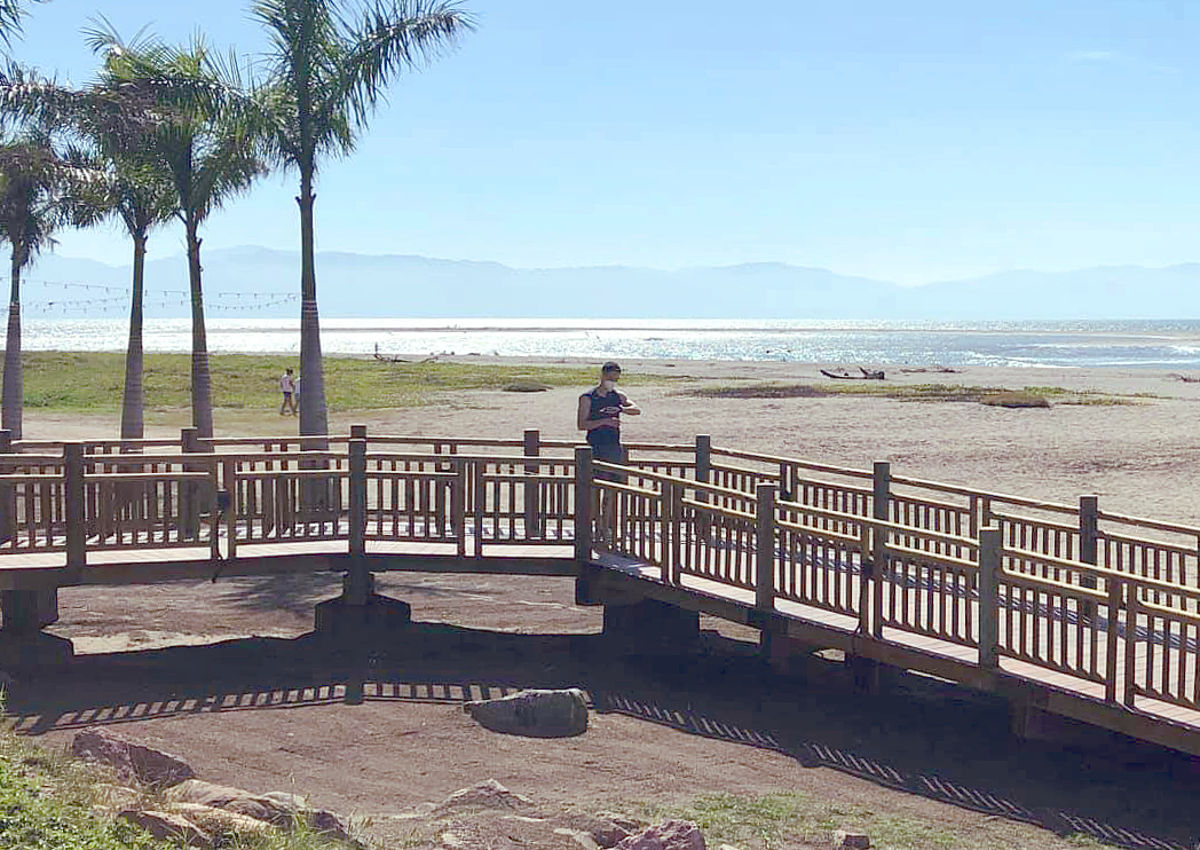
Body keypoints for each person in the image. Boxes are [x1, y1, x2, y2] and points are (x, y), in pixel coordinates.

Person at [578, 362, 640, 544]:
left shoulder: (618, 397)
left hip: (614, 448)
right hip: (596, 448)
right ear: (602, 375)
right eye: (610, 377)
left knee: (611, 490)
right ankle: (596, 527)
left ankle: (607, 528)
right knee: (595, 489)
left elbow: (636, 409)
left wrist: (622, 409)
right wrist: (604, 421)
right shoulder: (588, 397)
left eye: (615, 378)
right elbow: (582, 424)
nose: (612, 381)